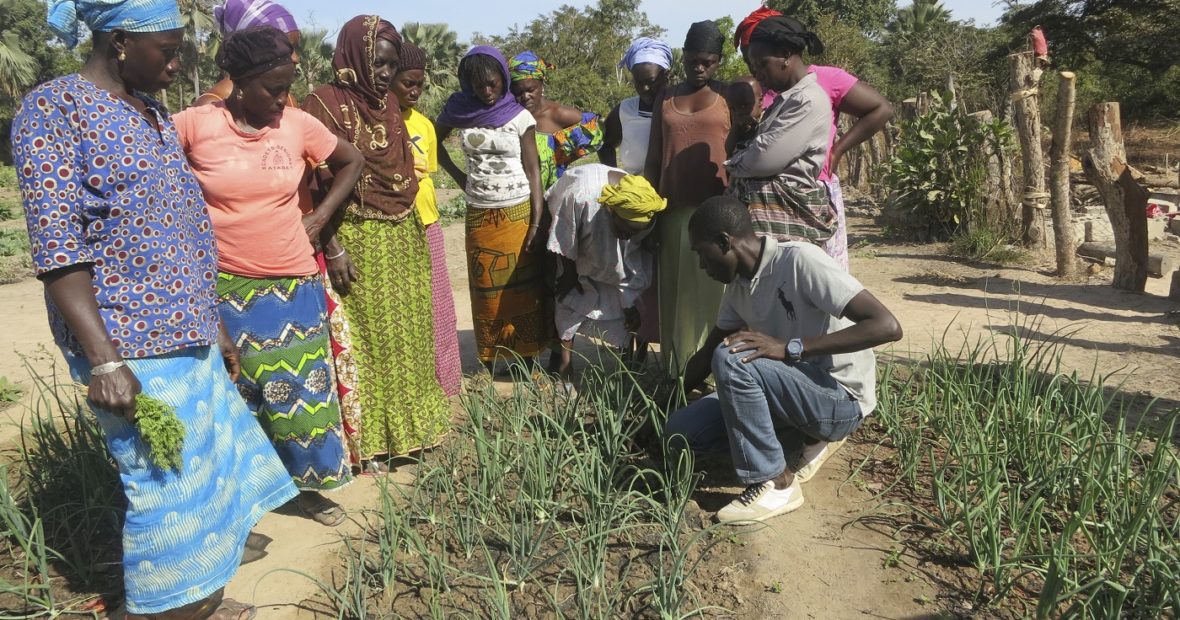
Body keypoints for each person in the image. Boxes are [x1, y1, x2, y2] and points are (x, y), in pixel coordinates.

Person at [15, 1, 298, 617]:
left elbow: (181, 229)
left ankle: (200, 598)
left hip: (185, 323)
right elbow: (60, 248)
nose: (177, 63)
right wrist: (103, 360)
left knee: (209, 472)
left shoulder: (149, 110)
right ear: (119, 42)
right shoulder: (54, 110)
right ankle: (165, 608)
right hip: (126, 336)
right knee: (164, 484)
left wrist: (214, 321)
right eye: (167, 51)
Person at [173, 26, 365, 524]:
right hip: (225, 285)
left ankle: (307, 489)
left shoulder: (298, 125)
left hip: (294, 281)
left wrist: (319, 221)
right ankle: (255, 491)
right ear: (238, 82)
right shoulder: (195, 125)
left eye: (286, 88)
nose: (282, 100)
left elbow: (352, 161)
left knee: (303, 395)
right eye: (272, 90)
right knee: (241, 395)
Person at [664, 197, 902, 524]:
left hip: (840, 397)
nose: (702, 267)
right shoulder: (737, 288)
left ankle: (777, 483)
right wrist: (658, 401)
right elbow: (707, 354)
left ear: (724, 242)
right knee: (681, 430)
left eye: (701, 255)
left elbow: (886, 326)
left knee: (734, 356)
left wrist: (791, 347)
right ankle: (801, 439)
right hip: (793, 393)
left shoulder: (800, 261)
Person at [303, 15, 451, 467]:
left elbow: (401, 169)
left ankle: (416, 432)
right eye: (379, 64)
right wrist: (333, 247)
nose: (386, 75)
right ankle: (369, 442)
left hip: (402, 234)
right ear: (356, 56)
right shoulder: (322, 105)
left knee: (410, 336)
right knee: (368, 342)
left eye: (390, 66)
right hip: (356, 239)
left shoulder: (385, 103)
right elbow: (314, 185)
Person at [736, 8, 893, 270]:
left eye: (758, 57)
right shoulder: (760, 86)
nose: (753, 67)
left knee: (817, 271)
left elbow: (881, 109)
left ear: (783, 50)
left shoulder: (822, 82)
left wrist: (838, 149)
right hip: (767, 202)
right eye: (749, 59)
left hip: (810, 190)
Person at [436, 46, 549, 371]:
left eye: (492, 83)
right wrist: (461, 179)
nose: (486, 91)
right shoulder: (459, 111)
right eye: (478, 85)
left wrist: (536, 220)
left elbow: (533, 169)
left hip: (518, 212)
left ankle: (525, 359)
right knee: (486, 288)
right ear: (467, 84)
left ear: (502, 78)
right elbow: (434, 142)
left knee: (522, 288)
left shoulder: (519, 116)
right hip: (479, 214)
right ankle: (490, 358)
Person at [643, 20, 732, 376]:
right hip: (673, 210)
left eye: (708, 61)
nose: (700, 67)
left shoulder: (728, 95)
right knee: (675, 291)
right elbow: (654, 154)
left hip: (716, 213)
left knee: (713, 293)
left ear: (718, 61)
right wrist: (649, 211)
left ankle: (711, 370)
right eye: (694, 60)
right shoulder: (667, 96)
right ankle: (677, 370)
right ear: (684, 56)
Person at [545, 164, 664, 379]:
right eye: (623, 230)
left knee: (634, 294)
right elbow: (564, 236)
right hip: (571, 218)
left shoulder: (642, 205)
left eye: (632, 233)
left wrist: (628, 300)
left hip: (604, 232)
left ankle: (630, 361)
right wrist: (570, 274)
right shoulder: (580, 197)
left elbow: (632, 259)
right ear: (610, 212)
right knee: (569, 298)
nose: (626, 238)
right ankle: (564, 366)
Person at [393, 42, 463, 398]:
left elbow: (428, 174)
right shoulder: (380, 121)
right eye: (408, 83)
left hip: (428, 219)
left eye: (419, 83)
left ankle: (445, 382)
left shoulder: (424, 125)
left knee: (438, 303)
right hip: (393, 225)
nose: (415, 90)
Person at [726, 16, 836, 245]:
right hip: (772, 226)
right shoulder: (784, 99)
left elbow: (760, 160)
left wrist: (736, 162)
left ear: (786, 55)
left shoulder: (806, 100)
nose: (757, 74)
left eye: (761, 64)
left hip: (787, 227)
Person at [508, 50, 603, 190]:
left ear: (542, 85)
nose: (525, 96)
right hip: (515, 194)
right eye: (518, 92)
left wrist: (561, 160)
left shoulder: (560, 115)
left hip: (551, 195)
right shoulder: (510, 116)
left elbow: (594, 134)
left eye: (531, 90)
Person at [196, 0, 300, 106]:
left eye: (295, 48)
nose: (296, 58)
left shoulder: (289, 103)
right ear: (250, 48)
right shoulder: (211, 106)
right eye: (285, 48)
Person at [601, 37, 672, 174]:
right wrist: (615, 179)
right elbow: (606, 145)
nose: (645, 88)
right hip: (636, 192)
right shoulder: (625, 111)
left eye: (651, 81)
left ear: (666, 75)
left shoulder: (682, 107)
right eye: (638, 82)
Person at [724, 75, 763, 155]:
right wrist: (736, 126)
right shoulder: (738, 126)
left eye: (744, 106)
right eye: (733, 109)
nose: (738, 112)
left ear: (760, 101)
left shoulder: (768, 120)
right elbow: (728, 150)